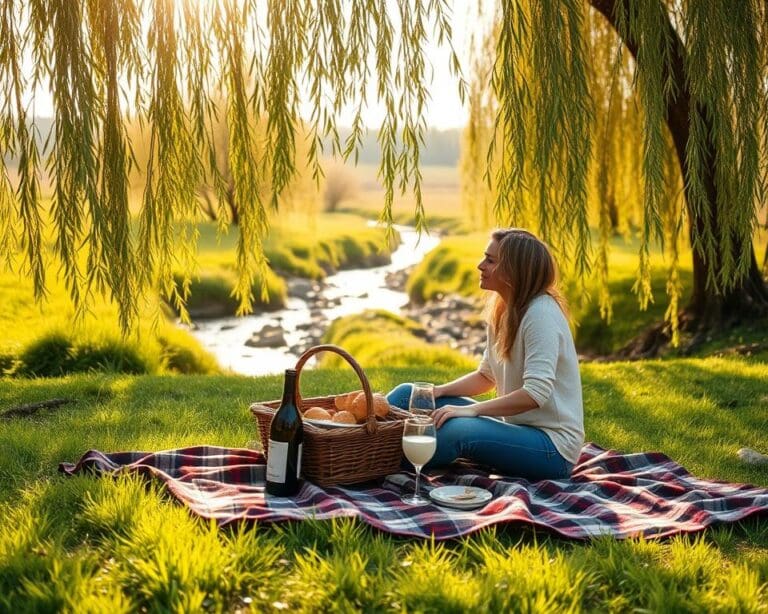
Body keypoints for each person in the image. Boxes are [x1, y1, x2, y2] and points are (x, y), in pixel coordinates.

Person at [387, 228, 583, 480]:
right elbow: (486, 375)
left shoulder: (540, 314)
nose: (480, 265)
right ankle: (353, 444)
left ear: (514, 271)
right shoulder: (502, 309)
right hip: (516, 428)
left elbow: (535, 394)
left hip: (552, 449)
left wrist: (473, 411)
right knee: (409, 394)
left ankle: (377, 461)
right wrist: (438, 392)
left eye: (490, 260)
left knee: (457, 430)